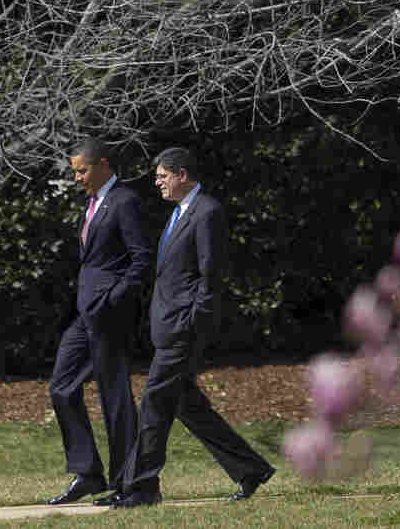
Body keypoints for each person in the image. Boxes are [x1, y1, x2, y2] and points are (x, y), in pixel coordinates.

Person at [108, 147, 275, 509]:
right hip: (167, 327)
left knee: (153, 401)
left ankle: (141, 486)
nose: (157, 182)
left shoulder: (207, 212)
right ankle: (250, 468)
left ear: (182, 174)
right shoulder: (179, 212)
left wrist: (192, 321)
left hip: (183, 329)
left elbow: (210, 275)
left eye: (162, 175)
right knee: (187, 406)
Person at [47, 138, 152, 506]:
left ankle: (133, 484)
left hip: (111, 316)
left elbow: (141, 259)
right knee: (61, 387)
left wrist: (114, 299)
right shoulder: (92, 204)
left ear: (103, 164)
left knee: (115, 399)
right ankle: (88, 473)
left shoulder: (124, 201)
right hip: (85, 315)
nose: (77, 177)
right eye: (74, 171)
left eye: (82, 170)